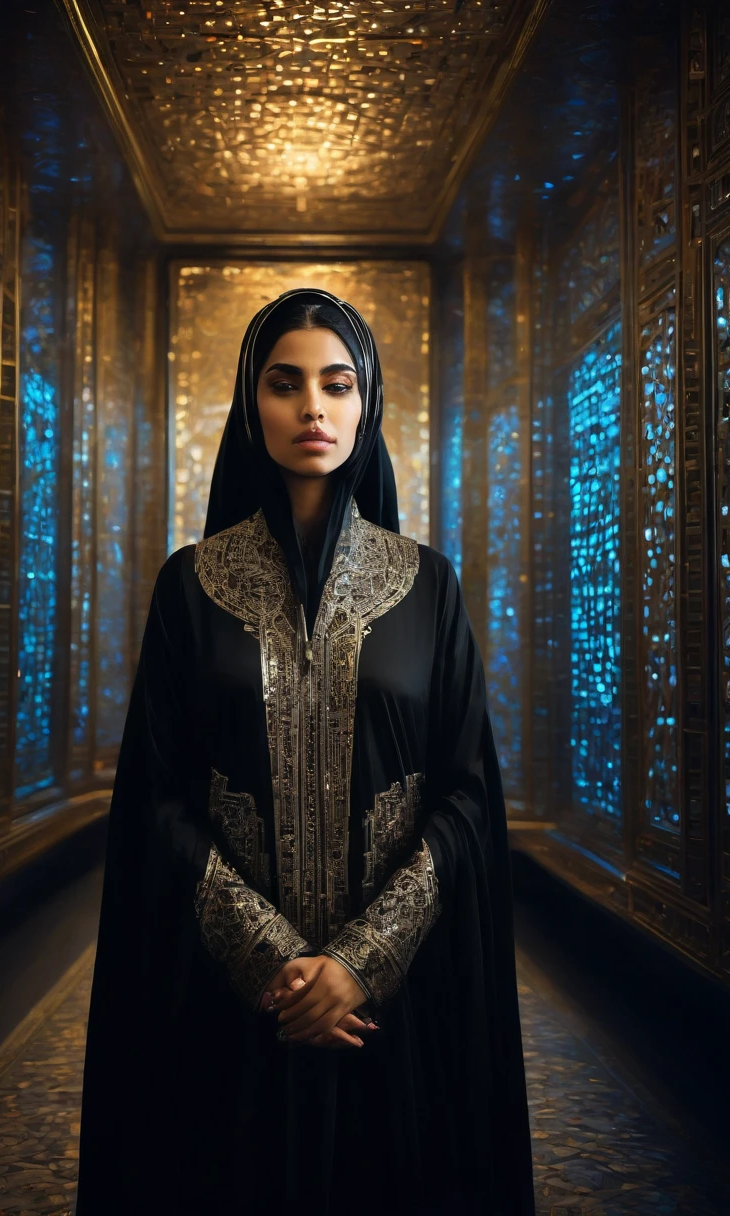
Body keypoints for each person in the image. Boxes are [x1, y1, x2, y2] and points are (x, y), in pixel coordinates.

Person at [75, 288, 535, 1215]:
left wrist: (361, 962)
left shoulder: (426, 586)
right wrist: (278, 964)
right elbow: (158, 797)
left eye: (337, 384)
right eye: (286, 385)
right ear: (253, 406)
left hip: (393, 1011)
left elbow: (467, 794)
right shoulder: (191, 586)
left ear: (368, 405)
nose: (313, 409)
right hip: (230, 1001)